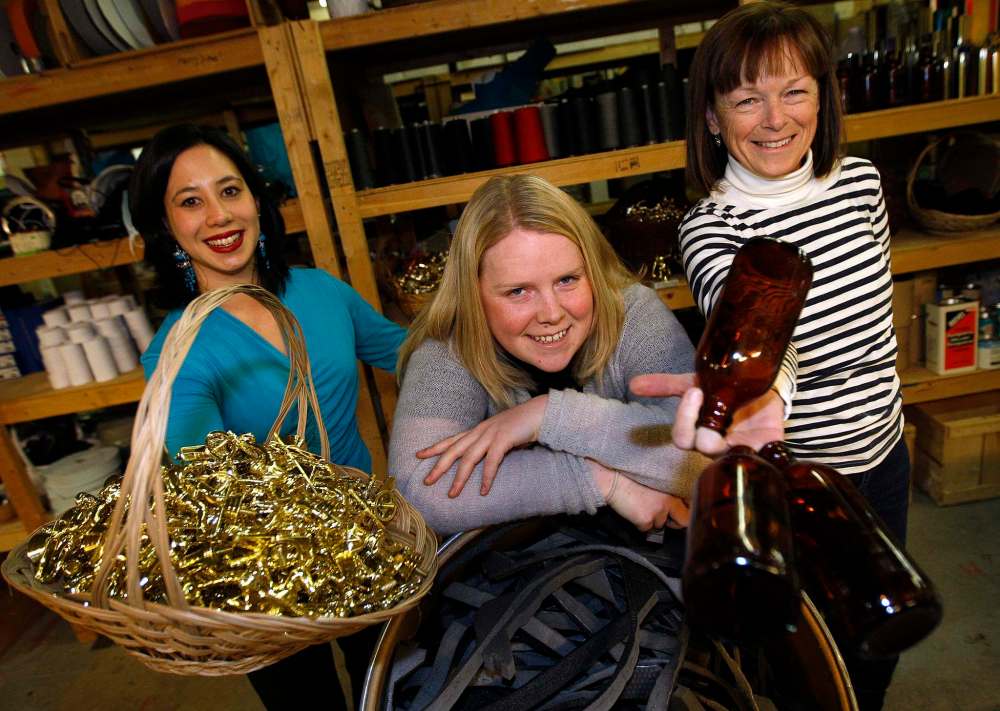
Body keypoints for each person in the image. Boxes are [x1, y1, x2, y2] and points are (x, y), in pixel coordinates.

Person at [630, 4, 906, 709]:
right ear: (714, 118)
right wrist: (764, 389)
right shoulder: (713, 227)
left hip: (883, 454)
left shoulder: (862, 184)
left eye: (794, 90)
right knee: (806, 665)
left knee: (878, 637)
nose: (775, 118)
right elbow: (752, 323)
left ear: (824, 95)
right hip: (798, 484)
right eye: (747, 98)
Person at [130, 124, 405, 711]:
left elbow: (408, 352)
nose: (218, 216)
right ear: (166, 226)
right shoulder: (178, 348)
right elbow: (210, 472)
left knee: (390, 692)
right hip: (269, 580)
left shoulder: (320, 292)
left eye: (230, 191)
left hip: (366, 545)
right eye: (190, 201)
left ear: (256, 200)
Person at [389, 174, 707, 537]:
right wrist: (603, 481)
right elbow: (418, 493)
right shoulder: (449, 348)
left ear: (593, 270)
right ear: (473, 295)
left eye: (567, 280)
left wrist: (550, 416)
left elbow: (701, 459)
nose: (551, 313)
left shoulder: (633, 313)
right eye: (518, 291)